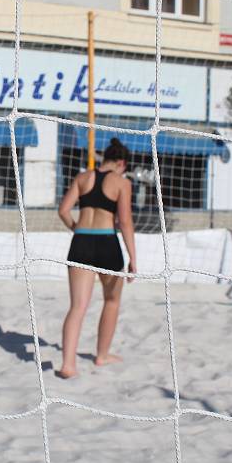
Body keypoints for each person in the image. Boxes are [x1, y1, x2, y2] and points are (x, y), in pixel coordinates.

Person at [56, 137, 137, 378]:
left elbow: (63, 210)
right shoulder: (121, 183)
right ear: (121, 162)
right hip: (106, 242)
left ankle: (68, 365)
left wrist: (76, 229)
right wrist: (133, 257)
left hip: (81, 242)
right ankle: (102, 355)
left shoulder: (82, 178)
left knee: (77, 307)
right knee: (111, 301)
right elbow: (124, 222)